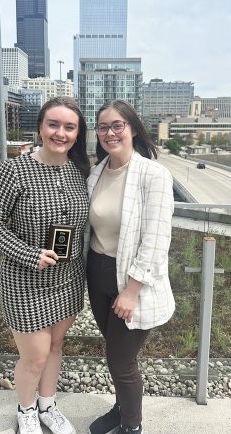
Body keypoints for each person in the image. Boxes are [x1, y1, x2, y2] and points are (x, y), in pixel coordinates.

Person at [0, 97, 90, 434]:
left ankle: (47, 405)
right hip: (24, 281)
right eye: (53, 124)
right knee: (35, 356)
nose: (61, 133)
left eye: (69, 127)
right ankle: (26, 410)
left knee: (56, 346)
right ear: (41, 127)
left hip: (68, 279)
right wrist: (30, 254)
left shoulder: (78, 171)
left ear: (77, 134)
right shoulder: (15, 169)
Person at [85, 99, 175, 434]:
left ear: (132, 128)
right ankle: (122, 407)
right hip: (97, 271)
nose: (110, 133)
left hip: (131, 280)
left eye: (117, 125)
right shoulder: (97, 171)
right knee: (113, 351)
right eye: (103, 126)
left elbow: (155, 238)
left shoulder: (153, 175)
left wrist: (133, 290)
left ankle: (132, 426)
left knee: (122, 361)